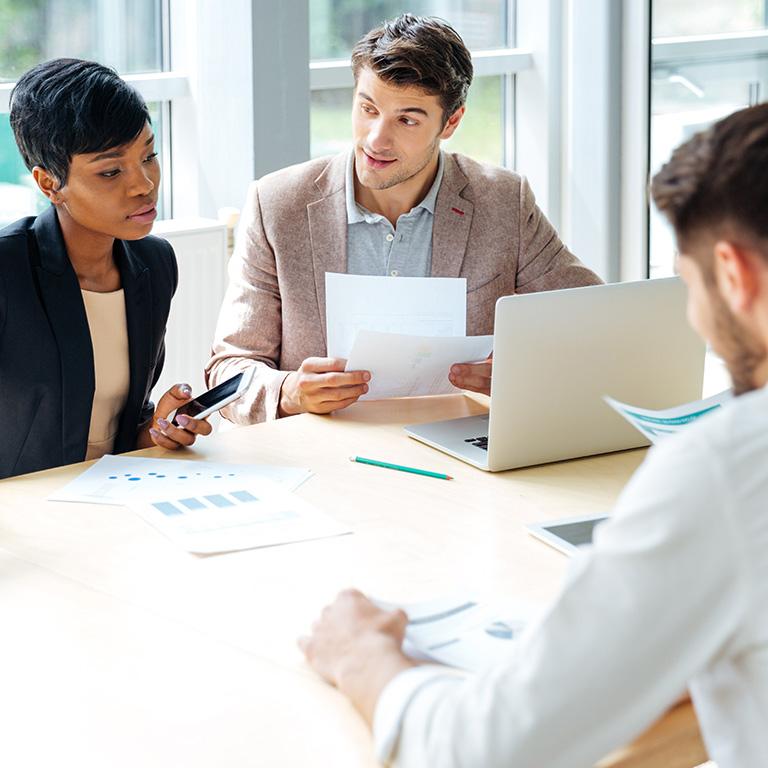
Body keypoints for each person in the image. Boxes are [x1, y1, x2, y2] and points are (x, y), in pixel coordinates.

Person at [299, 103, 768, 768]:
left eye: (689, 286)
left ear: (735, 276)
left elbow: (486, 751)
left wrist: (363, 658)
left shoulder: (726, 471)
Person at [206, 14, 601, 424]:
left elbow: (595, 320)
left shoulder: (503, 202)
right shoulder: (278, 205)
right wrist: (290, 392)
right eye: (368, 108)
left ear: (451, 122)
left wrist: (523, 369)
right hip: (320, 457)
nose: (376, 138)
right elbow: (229, 371)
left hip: (458, 454)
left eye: (407, 120)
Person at [0, 59, 211, 480]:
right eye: (111, 171)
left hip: (115, 495)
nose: (144, 184)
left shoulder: (154, 264)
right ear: (49, 184)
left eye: (149, 155)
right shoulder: (7, 272)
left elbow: (121, 429)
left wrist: (157, 432)